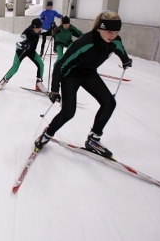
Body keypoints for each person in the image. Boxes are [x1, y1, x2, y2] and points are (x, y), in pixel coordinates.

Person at [34, 11, 133, 159]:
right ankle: (47, 134)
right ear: (99, 28)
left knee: (109, 103)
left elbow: (120, 49)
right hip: (71, 76)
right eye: (109, 31)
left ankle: (94, 139)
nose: (113, 35)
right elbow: (60, 65)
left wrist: (125, 60)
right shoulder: (85, 42)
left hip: (89, 74)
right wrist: (54, 89)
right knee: (68, 112)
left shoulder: (115, 41)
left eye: (116, 31)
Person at [0, 18, 45, 91]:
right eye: (37, 28)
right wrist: (24, 46)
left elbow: (46, 31)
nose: (39, 30)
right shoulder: (26, 33)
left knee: (41, 64)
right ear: (33, 27)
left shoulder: (39, 31)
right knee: (15, 69)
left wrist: (53, 29)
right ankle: (4, 81)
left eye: (40, 28)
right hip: (21, 52)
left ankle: (39, 84)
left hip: (31, 51)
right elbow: (17, 44)